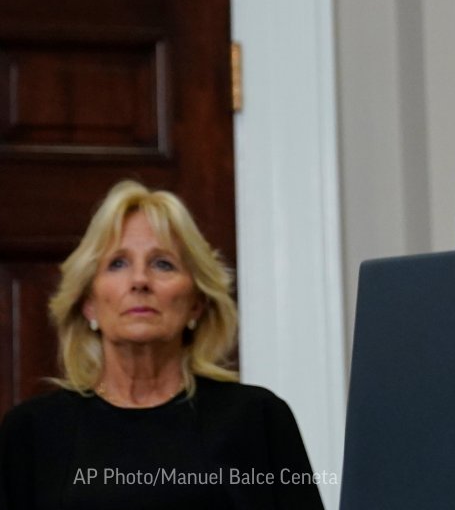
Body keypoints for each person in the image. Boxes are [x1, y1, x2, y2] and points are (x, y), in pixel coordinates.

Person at [0, 180, 324, 509]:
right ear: (88, 303)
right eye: (118, 263)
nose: (140, 281)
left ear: (196, 302)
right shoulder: (31, 432)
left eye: (162, 264)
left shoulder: (257, 418)